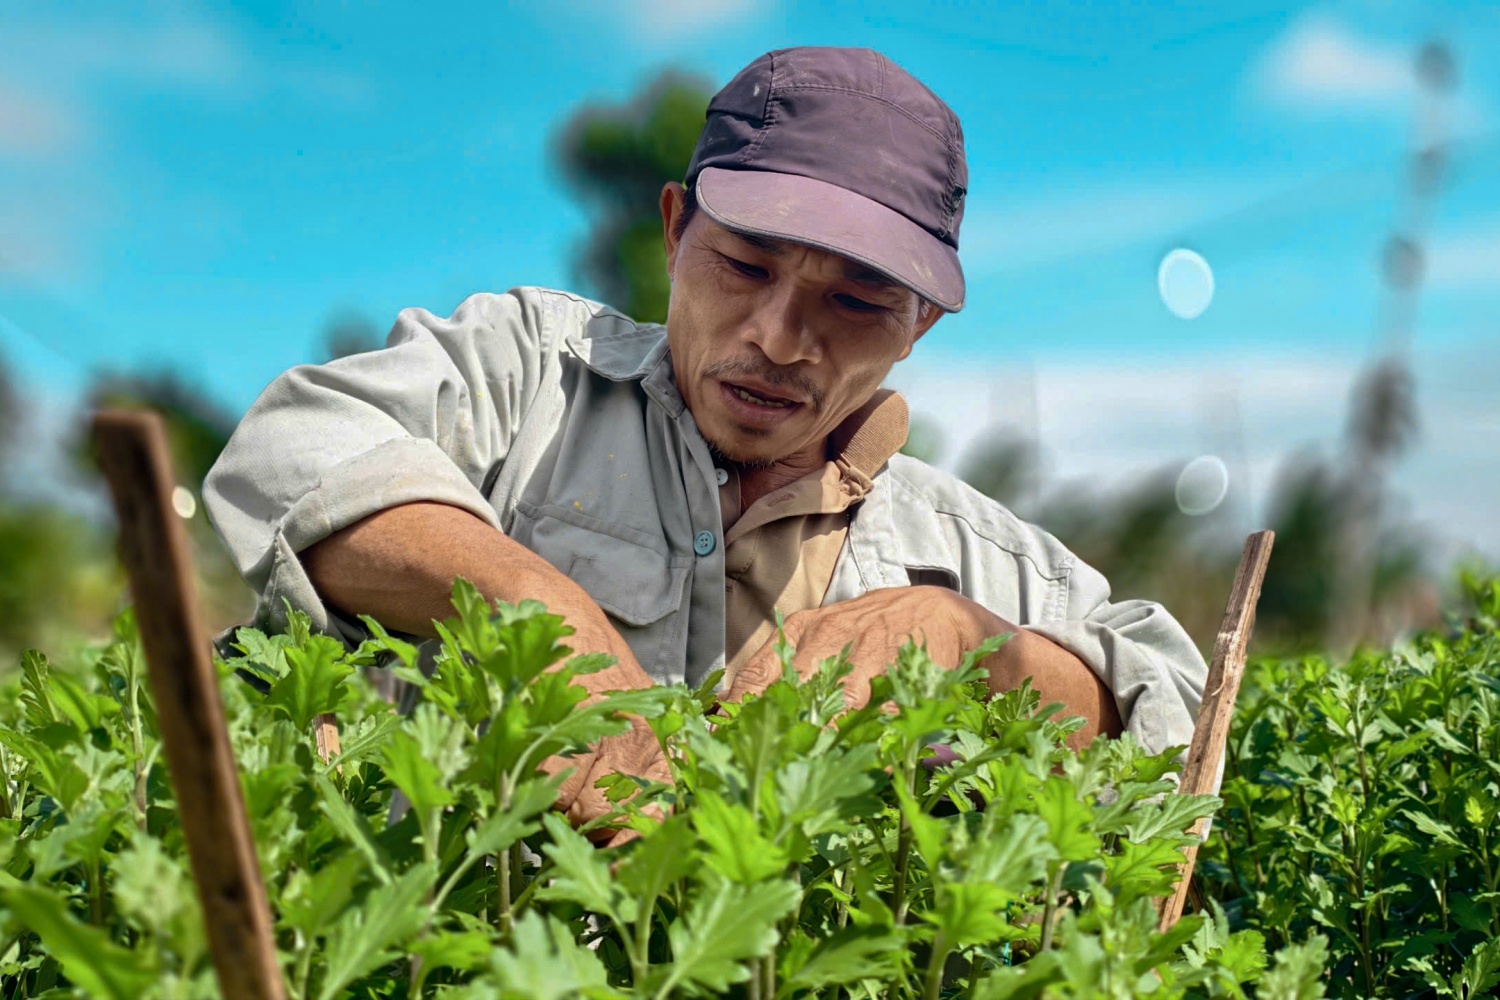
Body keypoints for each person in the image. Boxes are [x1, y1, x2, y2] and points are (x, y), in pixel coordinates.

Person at [204, 46, 1206, 833]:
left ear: (919, 325)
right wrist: (533, 604)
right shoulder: (527, 379)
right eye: (745, 266)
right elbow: (295, 445)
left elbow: (1172, 716)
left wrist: (971, 648)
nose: (778, 338)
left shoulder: (978, 556)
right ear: (677, 228)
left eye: (856, 301)